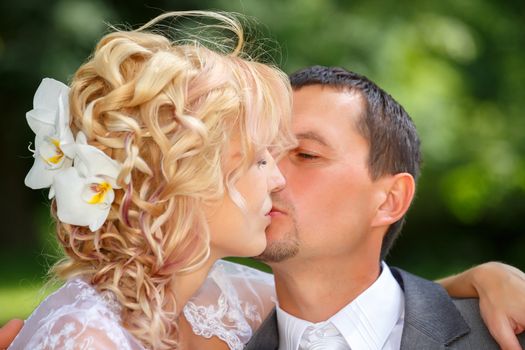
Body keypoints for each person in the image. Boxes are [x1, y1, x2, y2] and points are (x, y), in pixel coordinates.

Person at [9, 11, 296, 350]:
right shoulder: (87, 339)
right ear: (183, 177)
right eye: (259, 160)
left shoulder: (247, 301)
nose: (278, 181)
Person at [243, 66, 525, 350]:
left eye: (306, 155)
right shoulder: (216, 331)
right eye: (261, 155)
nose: (269, 175)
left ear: (391, 199)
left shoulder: (505, 335)